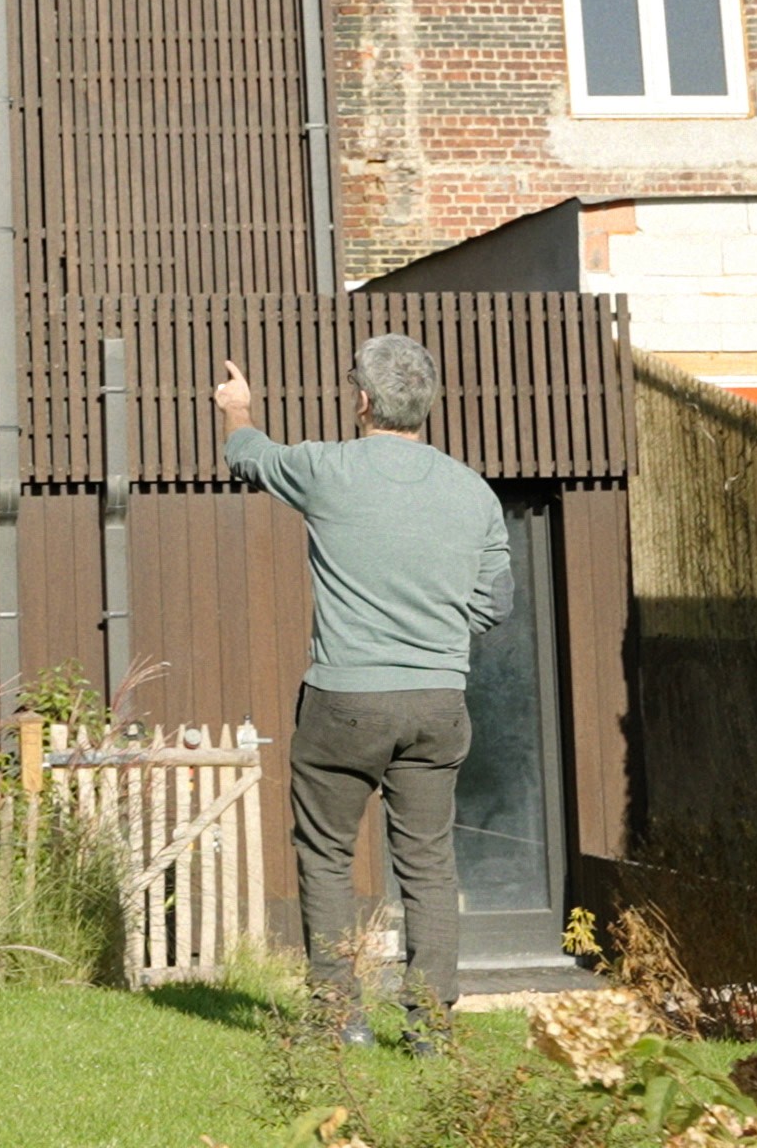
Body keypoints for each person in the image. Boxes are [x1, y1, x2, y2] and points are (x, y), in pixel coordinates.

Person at [217, 335, 513, 1046]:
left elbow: (248, 456)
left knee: (325, 853)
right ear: (427, 406)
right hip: (439, 703)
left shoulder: (328, 468)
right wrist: (437, 634)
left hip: (344, 702)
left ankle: (338, 1017)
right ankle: (430, 1027)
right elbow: (494, 603)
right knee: (429, 863)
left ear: (361, 400)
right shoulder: (472, 491)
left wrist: (239, 407)